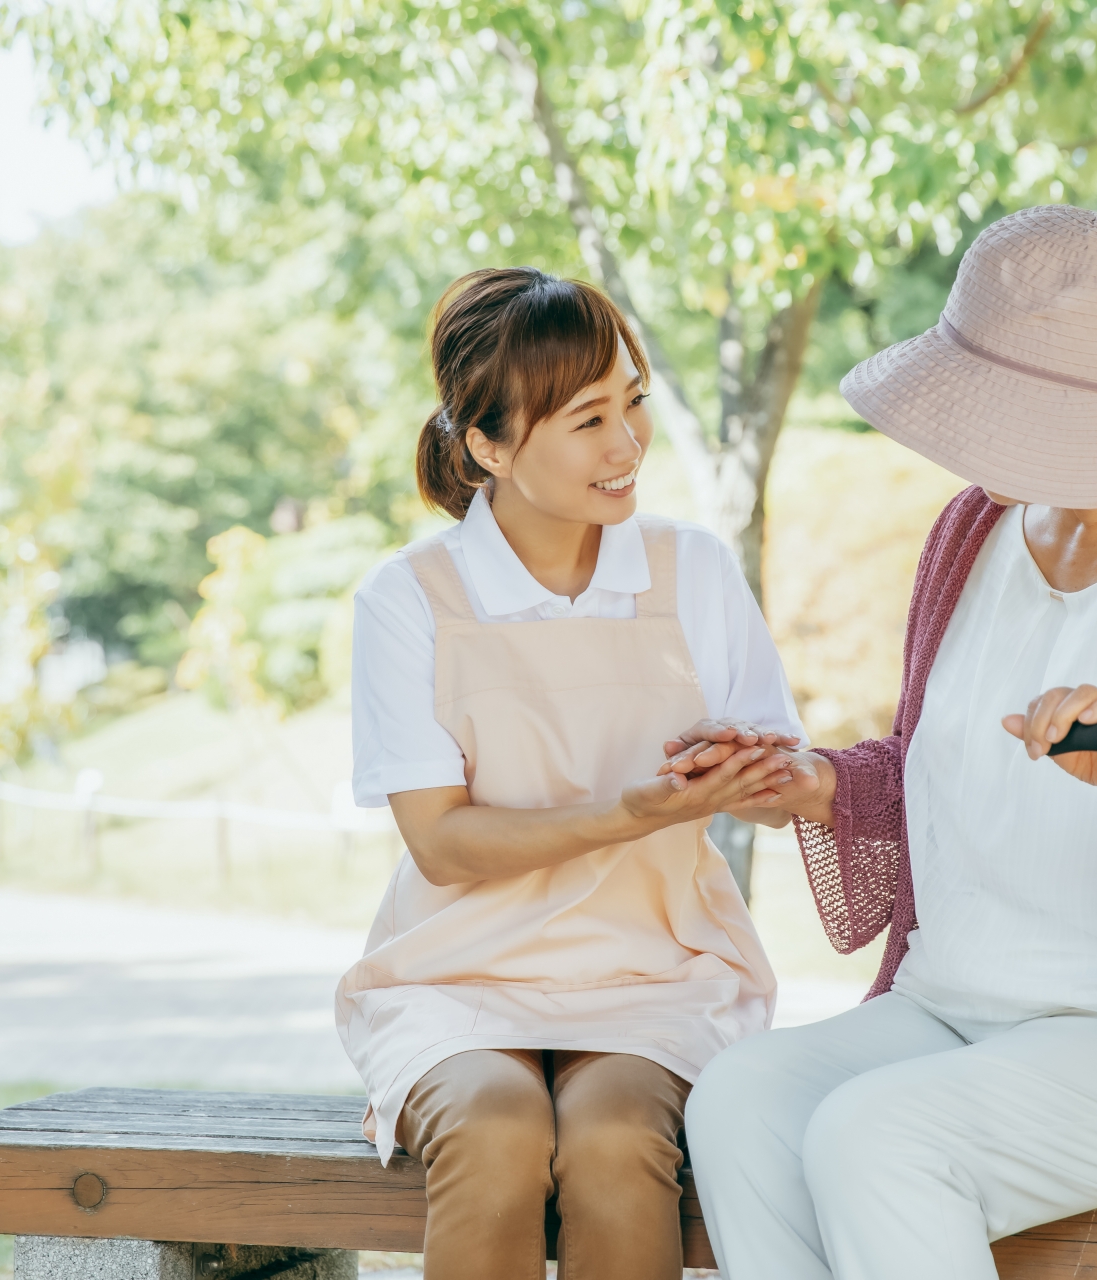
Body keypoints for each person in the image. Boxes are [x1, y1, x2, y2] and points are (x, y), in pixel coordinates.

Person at [676, 206, 1097, 1280]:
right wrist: (810, 784)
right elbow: (932, 770)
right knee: (739, 1100)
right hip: (947, 1004)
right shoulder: (971, 532)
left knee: (877, 1136)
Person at [335, 267, 805, 1280]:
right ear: (488, 445)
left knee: (611, 1144)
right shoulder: (409, 598)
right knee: (497, 1132)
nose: (628, 441)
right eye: (589, 417)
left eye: (632, 400)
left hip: (656, 967)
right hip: (455, 973)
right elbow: (443, 844)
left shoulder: (694, 571)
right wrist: (628, 812)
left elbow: (781, 784)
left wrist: (754, 774)